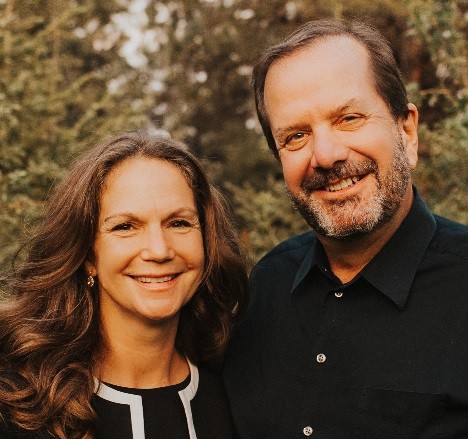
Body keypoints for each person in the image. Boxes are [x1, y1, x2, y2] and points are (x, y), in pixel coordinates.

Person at [223, 19, 468, 438]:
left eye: (349, 118)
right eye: (296, 136)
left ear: (407, 131)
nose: (325, 155)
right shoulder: (265, 288)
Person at [0, 131, 249, 439]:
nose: (159, 250)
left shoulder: (237, 392)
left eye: (179, 223)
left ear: (207, 242)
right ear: (88, 255)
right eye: (125, 227)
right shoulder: (16, 401)